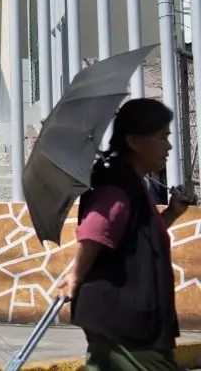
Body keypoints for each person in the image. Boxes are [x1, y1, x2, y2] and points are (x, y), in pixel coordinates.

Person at [58, 98, 193, 371]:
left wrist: (171, 214)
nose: (168, 146)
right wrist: (76, 275)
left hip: (124, 323)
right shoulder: (117, 183)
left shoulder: (131, 180)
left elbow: (134, 236)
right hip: (126, 325)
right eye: (161, 137)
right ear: (133, 141)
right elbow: (96, 230)